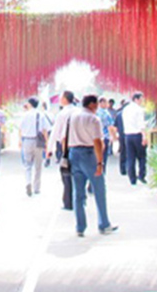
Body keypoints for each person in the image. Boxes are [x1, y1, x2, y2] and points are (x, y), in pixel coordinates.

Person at [67, 95, 118, 237]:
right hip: (89, 155)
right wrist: (100, 162)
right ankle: (104, 224)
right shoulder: (93, 119)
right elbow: (97, 142)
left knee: (78, 193)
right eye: (96, 104)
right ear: (91, 104)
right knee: (99, 189)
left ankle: (80, 227)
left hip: (74, 153)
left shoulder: (73, 116)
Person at [47, 90, 76, 210]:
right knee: (77, 174)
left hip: (65, 146)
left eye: (61, 97)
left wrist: (49, 149)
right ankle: (79, 199)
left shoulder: (62, 114)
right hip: (79, 146)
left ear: (65, 99)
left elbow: (55, 132)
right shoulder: (78, 111)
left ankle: (68, 201)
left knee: (66, 173)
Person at [19, 97, 50, 196]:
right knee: (38, 166)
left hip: (27, 141)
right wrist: (47, 143)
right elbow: (45, 130)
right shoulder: (41, 115)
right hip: (38, 142)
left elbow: (20, 129)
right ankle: (36, 188)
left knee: (27, 165)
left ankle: (28, 182)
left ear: (30, 104)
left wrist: (20, 141)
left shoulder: (24, 115)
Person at [122, 91, 148, 185]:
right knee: (142, 157)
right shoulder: (139, 110)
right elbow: (141, 125)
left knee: (130, 157)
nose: (142, 101)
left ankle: (132, 178)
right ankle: (141, 175)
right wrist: (144, 137)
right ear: (136, 99)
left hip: (128, 135)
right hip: (137, 135)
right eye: (141, 99)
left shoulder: (126, 109)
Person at [96, 97, 116, 173]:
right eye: (106, 102)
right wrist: (113, 137)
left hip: (94, 137)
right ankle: (102, 171)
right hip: (104, 137)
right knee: (103, 156)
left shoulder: (94, 112)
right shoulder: (105, 113)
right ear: (101, 103)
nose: (107, 104)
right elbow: (110, 126)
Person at [113, 98, 129, 176]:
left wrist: (116, 136)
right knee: (130, 152)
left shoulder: (119, 114)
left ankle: (123, 169)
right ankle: (128, 168)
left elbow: (115, 126)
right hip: (129, 134)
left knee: (123, 152)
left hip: (121, 135)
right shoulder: (129, 114)